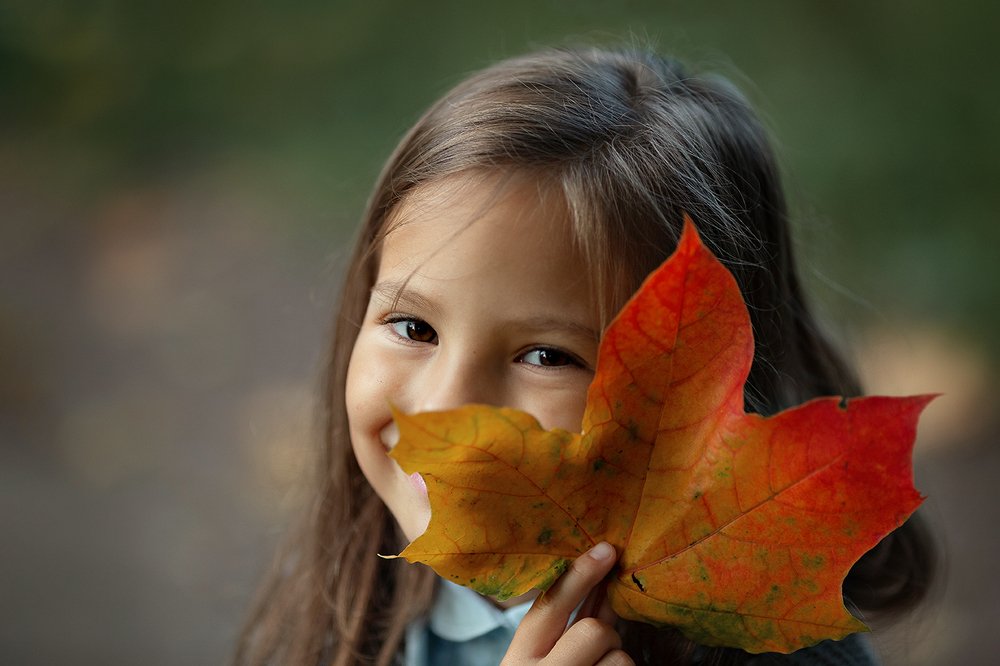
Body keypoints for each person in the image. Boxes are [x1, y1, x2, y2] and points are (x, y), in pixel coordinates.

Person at [234, 46, 935, 665]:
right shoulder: (354, 594)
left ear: (700, 407)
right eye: (413, 328)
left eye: (546, 355)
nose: (445, 405)